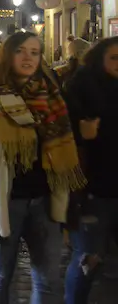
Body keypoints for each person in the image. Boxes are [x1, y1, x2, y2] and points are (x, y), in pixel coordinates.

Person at [0, 32, 85, 303]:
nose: (28, 57)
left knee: (47, 278)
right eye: (21, 51)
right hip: (5, 203)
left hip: (46, 201)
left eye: (35, 51)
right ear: (7, 55)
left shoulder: (53, 97)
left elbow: (69, 147)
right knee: (1, 276)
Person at [64, 36, 118, 304]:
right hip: (91, 189)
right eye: (114, 58)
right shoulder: (82, 87)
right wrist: (83, 135)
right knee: (88, 259)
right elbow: (63, 138)